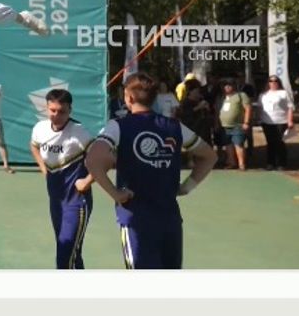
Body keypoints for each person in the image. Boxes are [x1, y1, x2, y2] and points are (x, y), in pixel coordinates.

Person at [85, 72, 217, 269]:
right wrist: (187, 186)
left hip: (135, 218)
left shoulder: (118, 126)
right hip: (169, 217)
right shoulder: (174, 126)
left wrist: (115, 193)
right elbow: (209, 156)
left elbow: (92, 159)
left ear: (128, 97)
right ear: (155, 97)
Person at [29, 89, 94, 269]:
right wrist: (44, 169)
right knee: (72, 252)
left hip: (77, 203)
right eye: (52, 110)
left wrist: (87, 181)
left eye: (62, 111)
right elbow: (34, 146)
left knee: (64, 255)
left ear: (70, 110)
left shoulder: (79, 132)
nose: (56, 115)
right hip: (56, 202)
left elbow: (104, 159)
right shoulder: (40, 129)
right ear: (47, 108)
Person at [258, 75, 294, 170]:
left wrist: (290, 120)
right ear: (268, 83)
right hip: (267, 122)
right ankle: (270, 163)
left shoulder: (284, 93)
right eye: (271, 81)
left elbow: (290, 107)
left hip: (281, 121)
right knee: (270, 143)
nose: (273, 83)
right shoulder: (263, 94)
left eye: (275, 81)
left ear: (278, 83)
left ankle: (281, 163)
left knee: (279, 142)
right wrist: (259, 119)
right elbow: (260, 108)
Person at [215, 78, 252, 170]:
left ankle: (241, 164)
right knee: (228, 145)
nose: (227, 87)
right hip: (224, 126)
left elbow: (248, 108)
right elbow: (216, 112)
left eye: (229, 85)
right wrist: (216, 124)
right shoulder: (221, 97)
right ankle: (231, 163)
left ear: (234, 86)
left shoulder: (241, 95)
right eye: (225, 85)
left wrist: (246, 122)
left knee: (238, 144)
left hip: (238, 125)